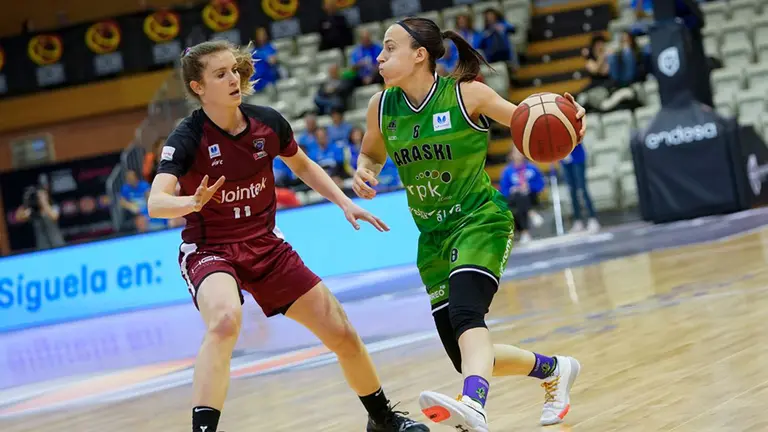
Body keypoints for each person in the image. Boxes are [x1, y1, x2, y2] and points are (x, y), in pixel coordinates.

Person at [147, 40, 429, 432]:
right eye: (220, 74)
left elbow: (304, 166)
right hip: (211, 250)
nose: (233, 79)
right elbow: (156, 202)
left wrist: (343, 202)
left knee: (342, 333)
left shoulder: (267, 123)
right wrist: (190, 202)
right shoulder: (187, 137)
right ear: (198, 87)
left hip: (265, 245)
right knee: (225, 321)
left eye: (234, 70)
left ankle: (382, 419)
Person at [352, 18, 587, 431]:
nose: (379, 57)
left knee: (466, 315)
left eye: (389, 48)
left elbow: (529, 122)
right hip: (432, 237)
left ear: (419, 55)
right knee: (466, 353)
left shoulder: (466, 95)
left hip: (479, 220)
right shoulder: (381, 106)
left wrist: (569, 120)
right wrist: (364, 171)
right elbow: (371, 153)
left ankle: (473, 404)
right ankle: (554, 369)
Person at [498, 148, 545, 244]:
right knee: (518, 196)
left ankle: (525, 232)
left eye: (520, 152)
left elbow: (540, 184)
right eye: (516, 153)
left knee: (522, 197)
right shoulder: (507, 171)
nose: (518, 155)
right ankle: (531, 213)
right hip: (514, 198)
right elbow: (503, 190)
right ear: (511, 155)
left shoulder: (532, 168)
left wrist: (529, 187)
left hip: (531, 196)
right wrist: (513, 189)